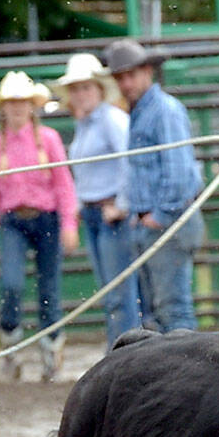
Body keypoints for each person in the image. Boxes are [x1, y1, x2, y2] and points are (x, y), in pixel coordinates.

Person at [0, 70, 80, 382]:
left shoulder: (48, 140)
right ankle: (10, 346)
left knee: (49, 287)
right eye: (11, 103)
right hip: (13, 221)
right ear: (3, 107)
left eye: (22, 102)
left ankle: (51, 354)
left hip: (46, 218)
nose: (17, 108)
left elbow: (63, 183)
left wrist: (68, 223)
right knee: (12, 284)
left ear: (31, 106)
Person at [105, 39, 205, 334]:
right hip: (153, 223)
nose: (125, 83)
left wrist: (158, 215)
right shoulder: (144, 111)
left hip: (166, 222)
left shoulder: (164, 110)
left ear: (147, 71)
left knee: (172, 309)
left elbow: (178, 170)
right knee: (159, 310)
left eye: (131, 75)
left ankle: (188, 375)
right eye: (120, 78)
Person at [53, 52, 139, 350]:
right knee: (111, 290)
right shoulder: (87, 124)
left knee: (119, 291)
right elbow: (84, 171)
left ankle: (124, 352)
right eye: (76, 89)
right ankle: (121, 350)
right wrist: (78, 205)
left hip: (110, 213)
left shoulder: (113, 120)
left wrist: (123, 204)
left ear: (99, 90)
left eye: (86, 87)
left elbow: (130, 162)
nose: (80, 94)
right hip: (94, 213)